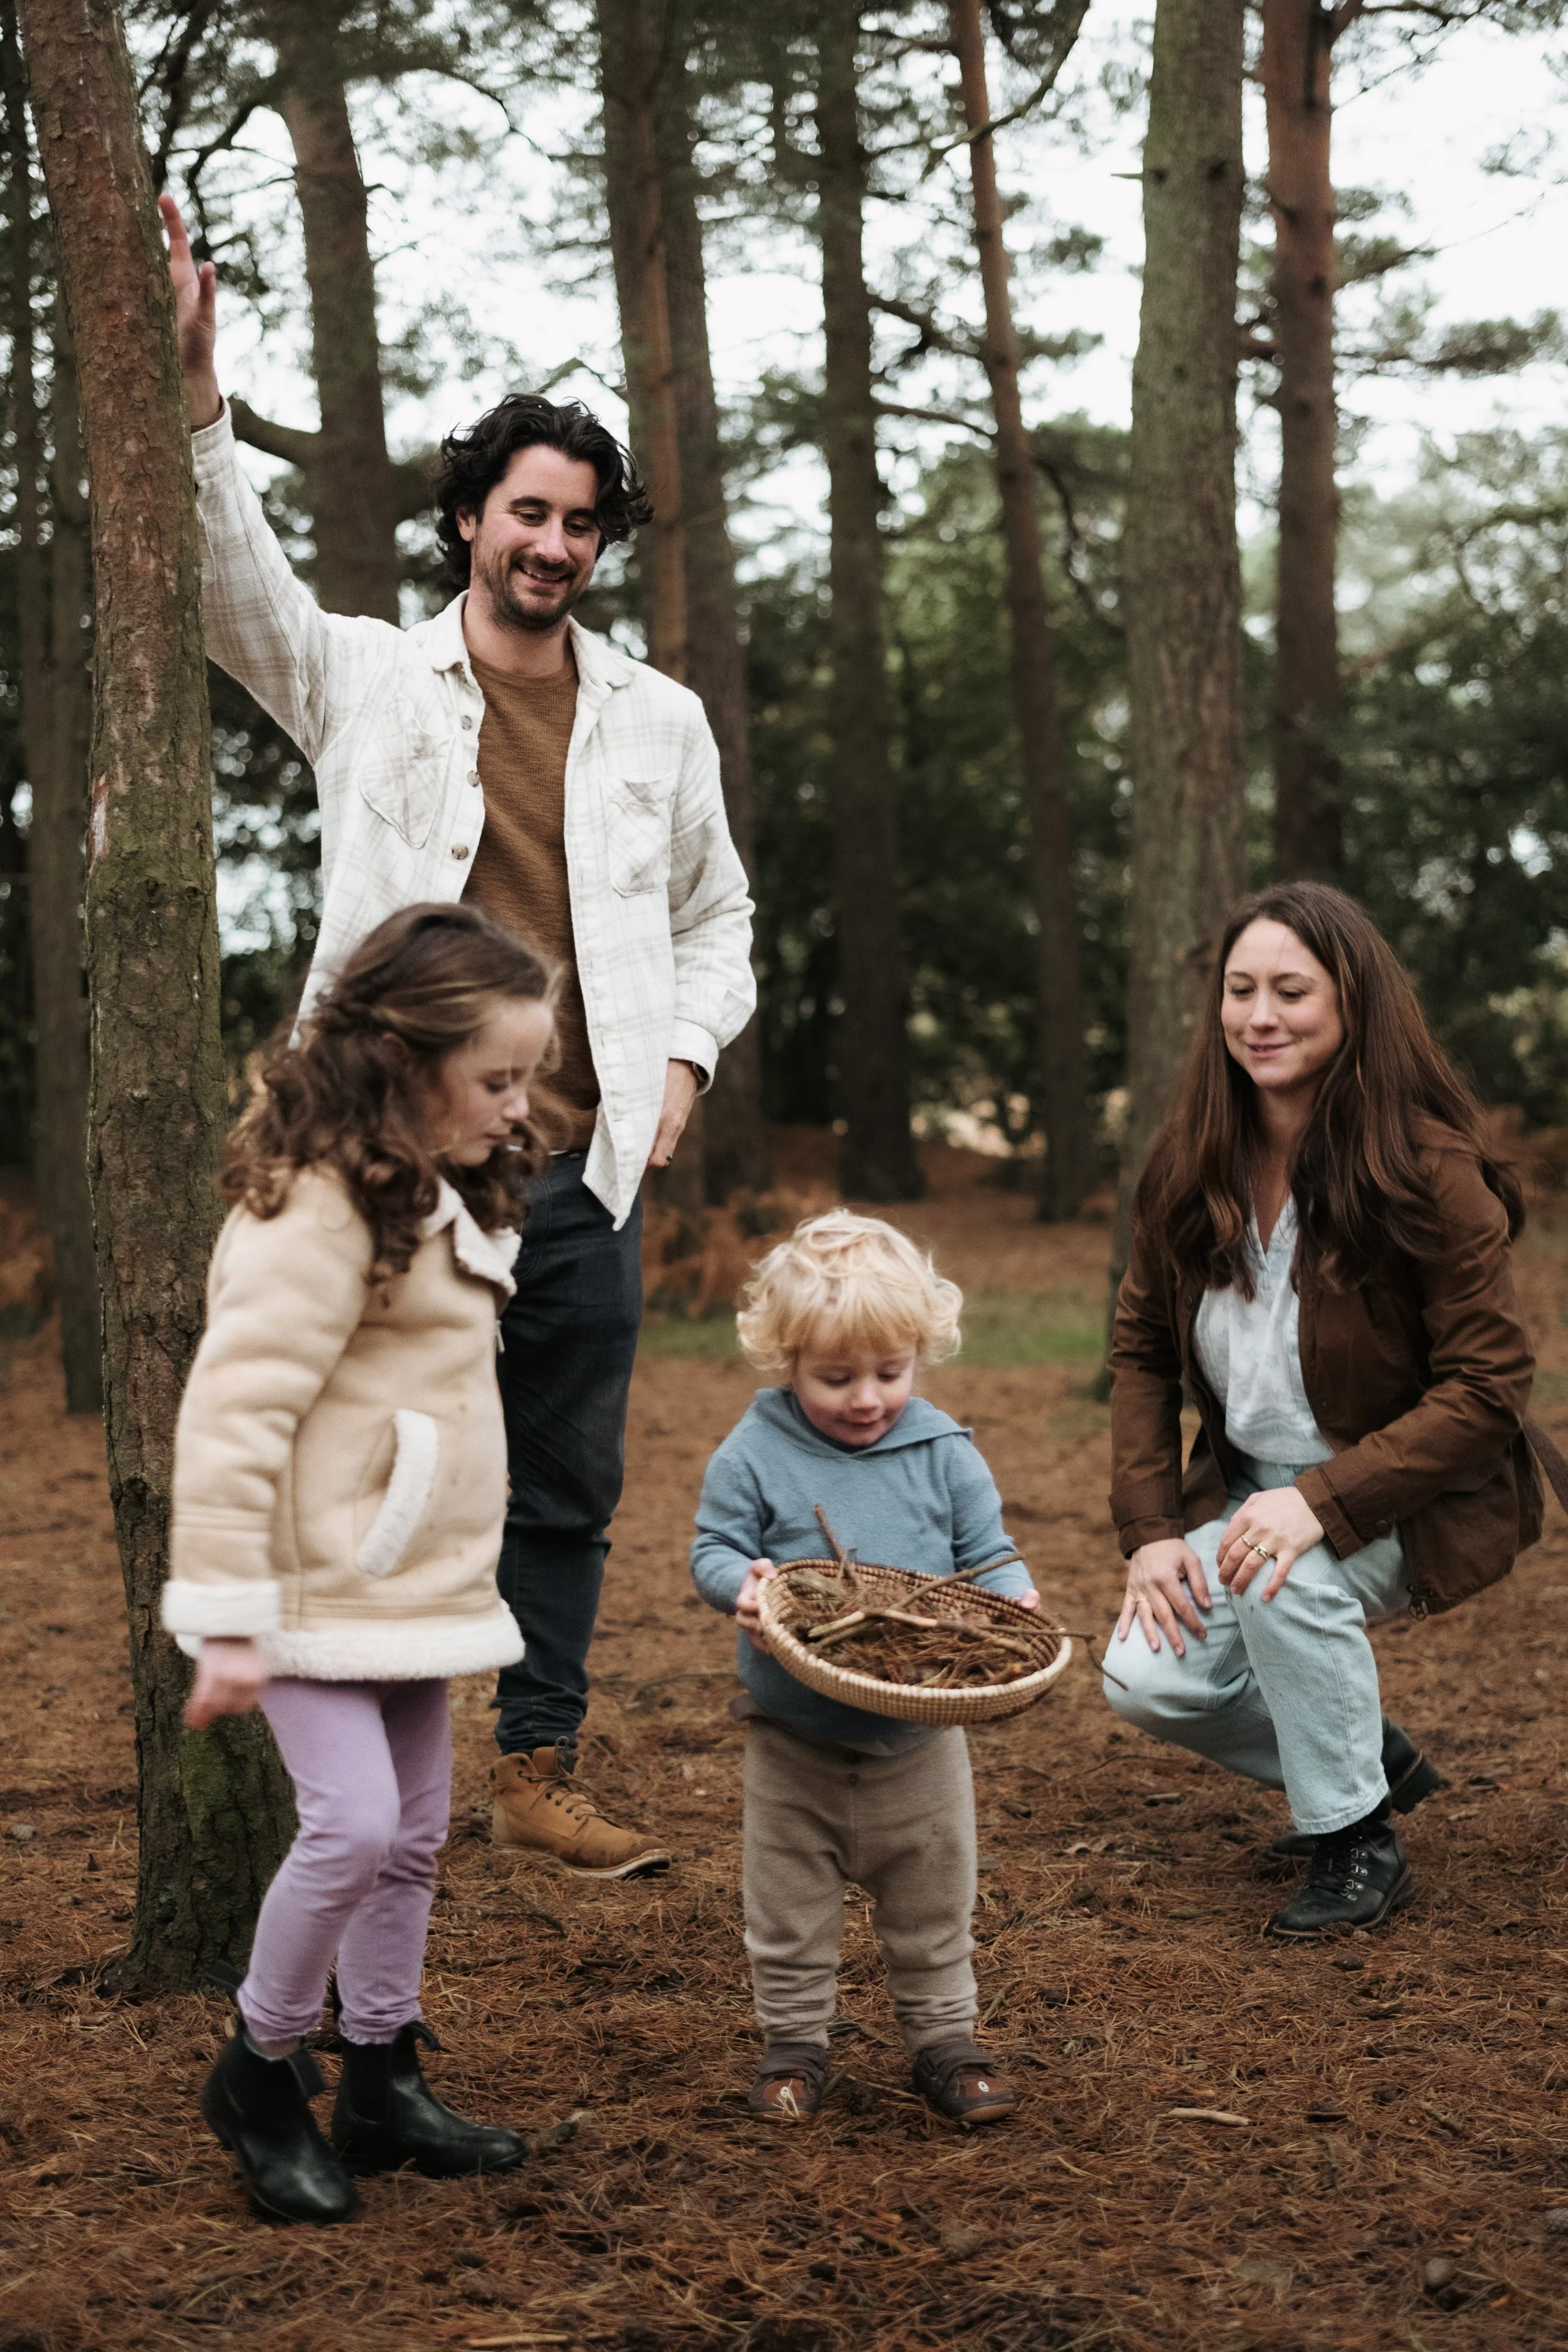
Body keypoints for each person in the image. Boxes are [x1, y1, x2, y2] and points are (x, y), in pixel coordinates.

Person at [161, 196, 756, 1881]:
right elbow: (229, 593)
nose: (552, 543)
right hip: (382, 1172)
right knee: (355, 1453)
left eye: (579, 521)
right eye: (525, 511)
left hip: (573, 1166)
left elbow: (719, 920)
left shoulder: (661, 721)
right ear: (469, 519)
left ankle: (538, 1759)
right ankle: (339, 1748)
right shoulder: (364, 679)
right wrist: (202, 397)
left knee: (560, 1482)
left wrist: (684, 1071)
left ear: (600, 539)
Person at [163, 904, 556, 2225]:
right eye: (496, 1078)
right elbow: (236, 1410)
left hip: (412, 1592)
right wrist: (226, 1621)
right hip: (310, 1592)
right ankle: (258, 2067)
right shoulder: (314, 1208)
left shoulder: (434, 1191)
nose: (520, 1106)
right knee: (354, 1827)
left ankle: (380, 2073)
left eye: (528, 1078)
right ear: (402, 1062)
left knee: (416, 1839)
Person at [1104, 881, 1542, 1937]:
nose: (1262, 1016)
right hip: (1254, 1488)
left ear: (1352, 1003)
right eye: (1241, 989)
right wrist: (1153, 1531)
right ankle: (1354, 1745)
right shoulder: (1189, 1160)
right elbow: (1142, 1354)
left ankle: (1357, 1841)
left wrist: (1320, 1503)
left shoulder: (1427, 1169)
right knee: (1144, 1677)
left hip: (1413, 1493)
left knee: (1281, 1570)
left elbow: (1490, 1385)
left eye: (1292, 991)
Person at [690, 1211, 1038, 2126]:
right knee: (788, 1909)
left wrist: (1019, 1598)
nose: (868, 1397)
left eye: (891, 1372)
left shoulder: (945, 1453)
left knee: (932, 1901)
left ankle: (947, 2042)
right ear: (787, 1360)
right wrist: (743, 1581)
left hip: (917, 1742)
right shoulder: (757, 1451)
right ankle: (795, 2045)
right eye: (835, 1377)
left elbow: (989, 1554)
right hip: (792, 1737)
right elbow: (715, 1546)